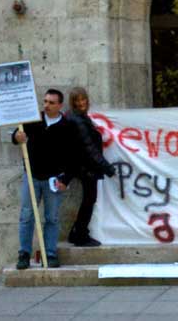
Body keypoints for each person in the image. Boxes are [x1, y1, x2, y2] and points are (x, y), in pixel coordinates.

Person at [11, 89, 74, 269]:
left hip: (53, 179)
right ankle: (24, 254)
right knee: (26, 216)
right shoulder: (34, 120)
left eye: (51, 103)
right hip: (31, 176)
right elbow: (17, 135)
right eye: (45, 101)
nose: (46, 105)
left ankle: (50, 254)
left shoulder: (67, 126)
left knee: (52, 218)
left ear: (60, 106)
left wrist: (66, 179)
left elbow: (74, 156)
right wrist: (16, 137)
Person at [67, 87, 116, 247]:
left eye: (83, 99)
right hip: (86, 168)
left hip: (85, 166)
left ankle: (76, 233)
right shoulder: (78, 120)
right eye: (77, 100)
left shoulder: (79, 117)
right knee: (89, 200)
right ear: (73, 102)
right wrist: (107, 168)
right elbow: (89, 148)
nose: (81, 103)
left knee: (89, 200)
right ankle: (80, 234)